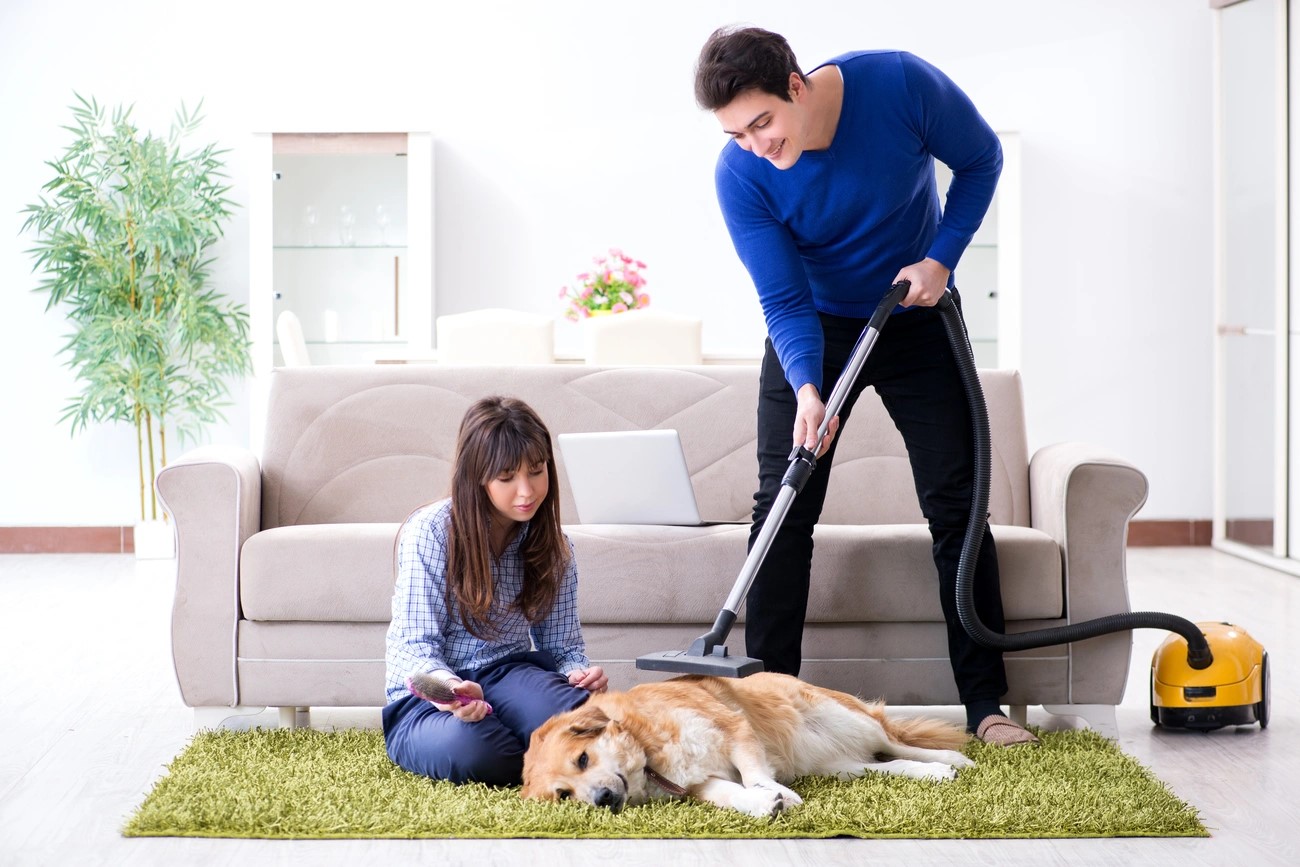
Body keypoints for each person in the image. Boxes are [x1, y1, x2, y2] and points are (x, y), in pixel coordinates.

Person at [694, 26, 1036, 746]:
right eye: (736, 132)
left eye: (762, 122)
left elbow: (981, 160)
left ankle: (987, 705)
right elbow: (783, 300)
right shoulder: (741, 173)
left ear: (795, 83)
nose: (756, 143)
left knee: (956, 497)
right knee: (784, 500)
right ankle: (767, 705)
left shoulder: (899, 85)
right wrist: (809, 387)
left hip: (915, 310)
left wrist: (942, 257)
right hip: (815, 327)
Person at [383, 396, 609, 784]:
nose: (526, 491)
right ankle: (526, 737)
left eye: (536, 472)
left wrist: (578, 674)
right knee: (477, 753)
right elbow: (413, 647)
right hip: (431, 696)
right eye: (506, 478)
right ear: (477, 477)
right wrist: (452, 690)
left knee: (591, 723)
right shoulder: (431, 532)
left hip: (509, 674)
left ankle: (529, 730)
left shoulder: (556, 547)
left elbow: (564, 648)